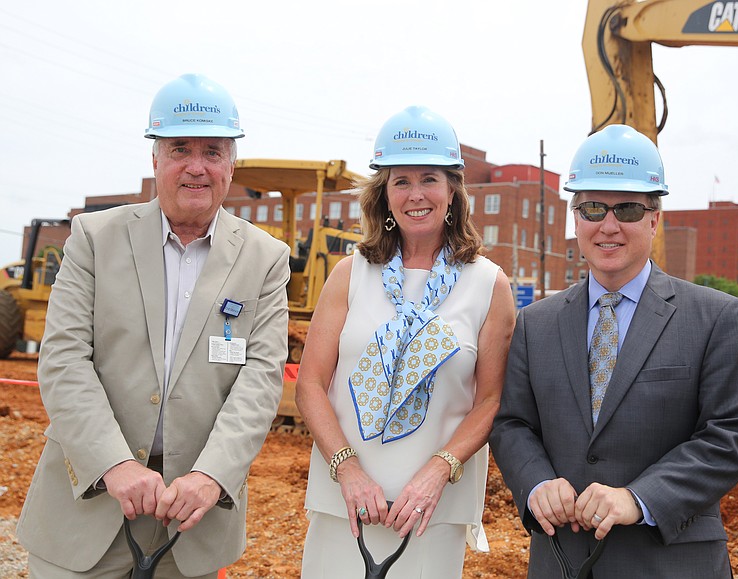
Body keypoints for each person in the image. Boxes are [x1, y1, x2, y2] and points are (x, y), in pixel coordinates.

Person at [16, 73, 290, 578]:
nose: (196, 167)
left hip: (193, 516)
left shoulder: (265, 258)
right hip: (90, 504)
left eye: (212, 151)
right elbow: (63, 361)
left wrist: (210, 475)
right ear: (155, 159)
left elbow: (259, 380)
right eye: (179, 148)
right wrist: (114, 464)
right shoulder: (95, 238)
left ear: (231, 164)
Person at [489, 124, 738, 578]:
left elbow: (731, 435)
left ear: (655, 218)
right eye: (593, 208)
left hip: (671, 562)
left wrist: (639, 498)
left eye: (629, 209)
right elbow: (512, 422)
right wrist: (536, 482)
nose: (609, 225)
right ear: (575, 218)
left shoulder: (716, 317)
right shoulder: (535, 324)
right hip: (562, 561)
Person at [295, 105, 516, 578]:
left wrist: (437, 473)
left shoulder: (488, 285)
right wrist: (347, 470)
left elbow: (490, 400)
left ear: (453, 191)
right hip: (345, 506)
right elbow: (310, 384)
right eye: (401, 181)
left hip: (430, 514)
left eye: (430, 178)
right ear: (385, 195)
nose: (416, 194)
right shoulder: (349, 274)